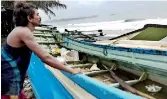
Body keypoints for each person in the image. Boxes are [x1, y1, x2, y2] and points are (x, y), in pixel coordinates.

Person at [1, 1, 81, 99]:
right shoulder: (24, 32)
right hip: (10, 82)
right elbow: (45, 57)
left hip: (12, 80)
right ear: (29, 18)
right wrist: (71, 70)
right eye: (37, 15)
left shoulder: (21, 30)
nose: (40, 17)